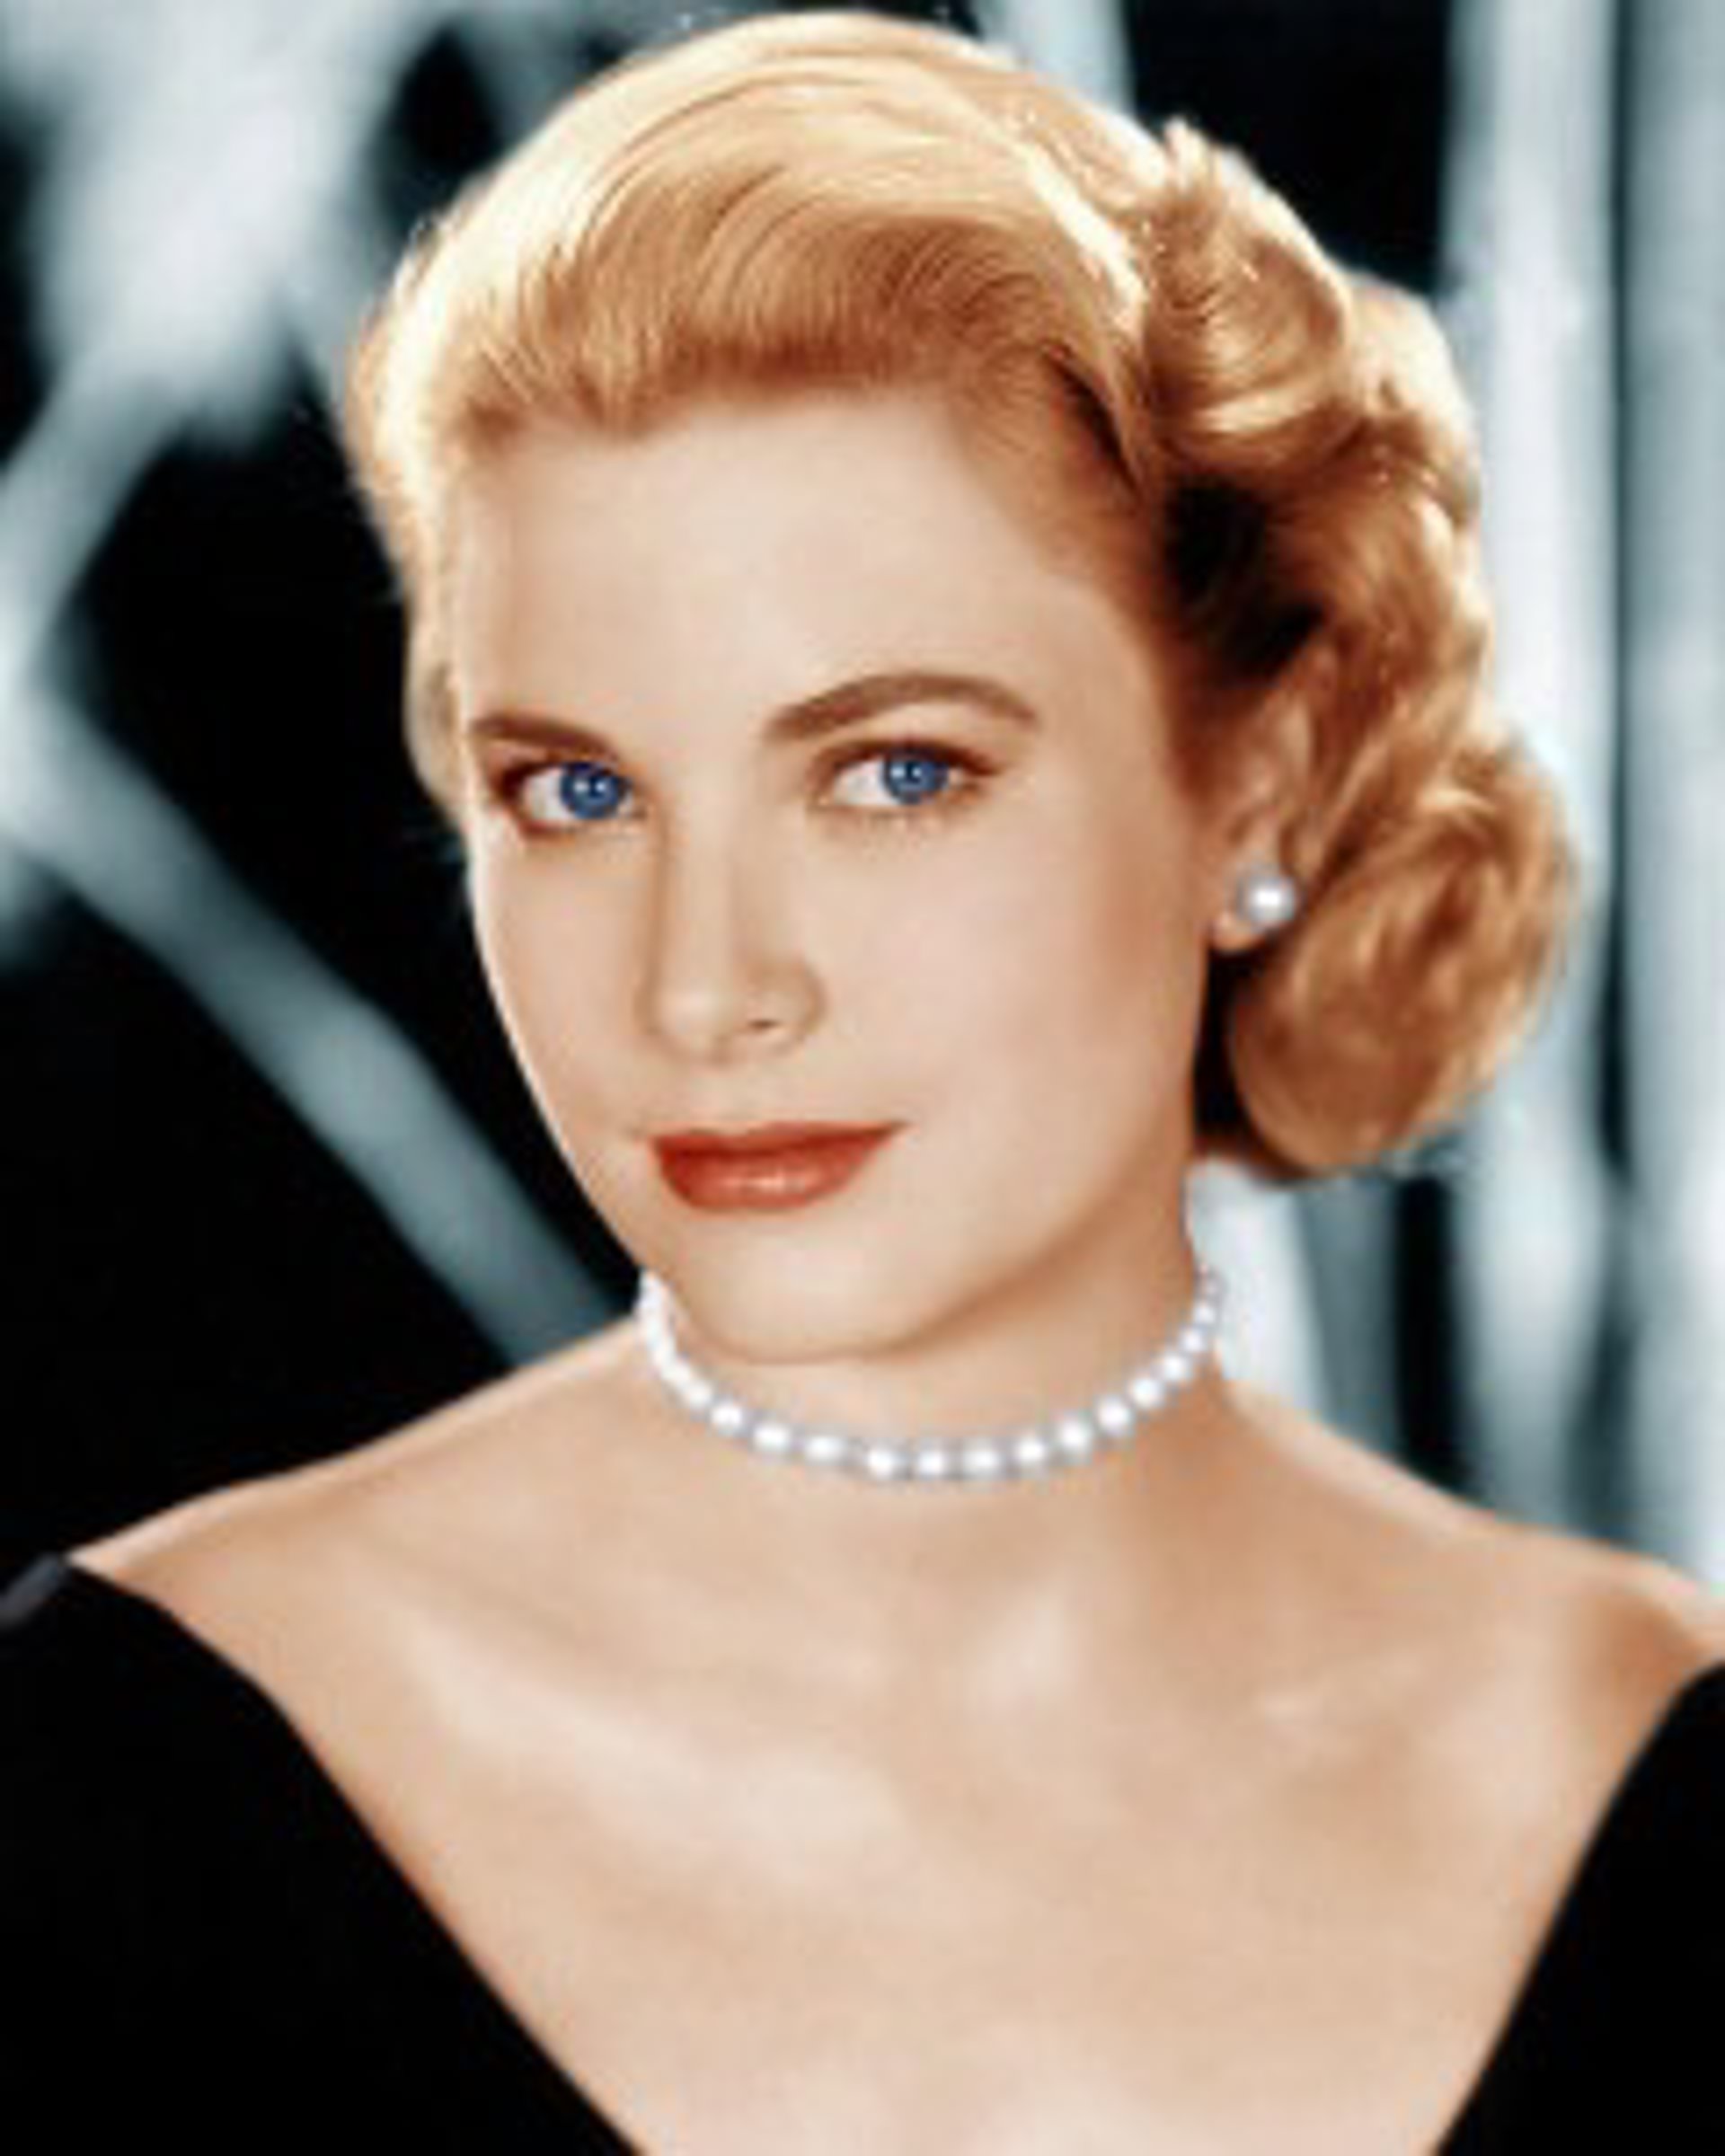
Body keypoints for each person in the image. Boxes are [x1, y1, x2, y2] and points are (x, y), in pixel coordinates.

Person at [4, 11, 1721, 2150]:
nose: (706, 984)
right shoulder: (133, 1777)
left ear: (1257, 786)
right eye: (578, 793)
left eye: (897, 774)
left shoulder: (1633, 1759)